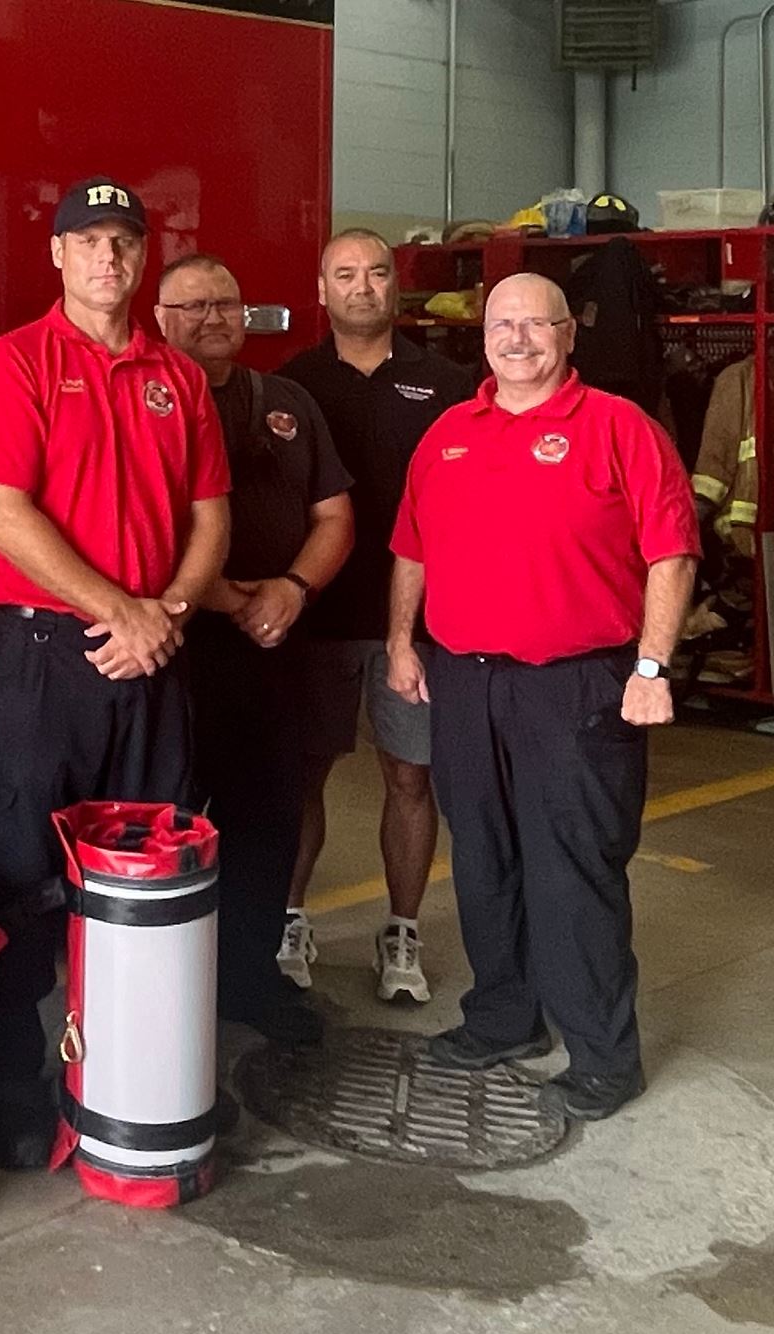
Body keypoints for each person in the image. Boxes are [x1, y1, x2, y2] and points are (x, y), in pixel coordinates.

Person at [0, 175, 230, 1167]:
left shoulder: (178, 377)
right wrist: (123, 611)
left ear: (142, 256)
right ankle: (8, 1077)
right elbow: (3, 515)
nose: (107, 258)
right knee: (20, 870)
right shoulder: (13, 362)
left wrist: (168, 613)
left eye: (124, 241)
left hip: (154, 653)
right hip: (44, 659)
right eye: (88, 240)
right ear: (57, 254)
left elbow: (209, 519)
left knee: (146, 880)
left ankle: (126, 1077)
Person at [385, 272, 697, 1121]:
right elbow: (412, 546)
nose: (517, 339)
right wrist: (402, 640)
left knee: (573, 868)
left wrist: (651, 669)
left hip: (578, 683)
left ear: (568, 334)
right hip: (464, 680)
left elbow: (671, 554)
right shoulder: (448, 434)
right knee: (483, 857)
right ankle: (504, 1019)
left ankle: (602, 1058)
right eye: (502, 325)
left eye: (535, 324)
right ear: (482, 337)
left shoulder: (620, 428)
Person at [151, 252, 354, 1048]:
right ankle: (161, 993)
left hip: (272, 654)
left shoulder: (289, 403)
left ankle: (248, 982)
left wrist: (292, 591)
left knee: (266, 821)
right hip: (172, 653)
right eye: (193, 305)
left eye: (226, 303)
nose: (213, 318)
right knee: (165, 824)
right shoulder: (144, 400)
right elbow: (135, 526)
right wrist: (234, 600)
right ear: (159, 321)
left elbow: (334, 516)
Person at [277, 227, 474, 1005]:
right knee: (302, 775)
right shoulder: (288, 387)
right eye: (346, 274)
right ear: (321, 291)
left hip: (416, 626)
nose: (363, 287)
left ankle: (402, 931)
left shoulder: (451, 384)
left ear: (397, 286)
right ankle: (291, 918)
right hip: (314, 619)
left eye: (377, 273)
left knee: (410, 776)